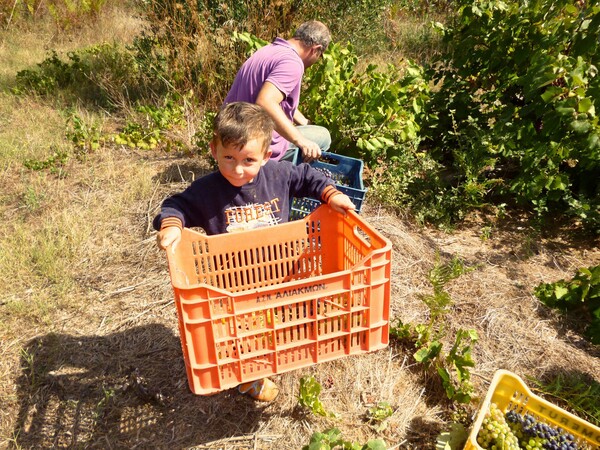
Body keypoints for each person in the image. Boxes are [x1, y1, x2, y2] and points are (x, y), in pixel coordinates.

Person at [153, 102, 355, 401]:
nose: (237, 168)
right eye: (228, 157)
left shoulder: (280, 174)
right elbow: (176, 204)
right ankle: (250, 377)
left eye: (248, 159)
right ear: (214, 150)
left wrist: (332, 196)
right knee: (242, 331)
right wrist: (171, 225)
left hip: (280, 270)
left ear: (266, 155)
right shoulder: (207, 190)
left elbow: (311, 179)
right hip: (234, 279)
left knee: (278, 321)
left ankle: (278, 353)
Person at [223, 20, 332, 165]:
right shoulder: (292, 63)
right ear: (315, 49)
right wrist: (302, 141)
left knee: (309, 129)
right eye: (320, 55)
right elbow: (265, 102)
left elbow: (276, 99)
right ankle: (279, 177)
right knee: (323, 136)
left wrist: (304, 122)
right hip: (254, 141)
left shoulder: (268, 50)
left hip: (230, 133)